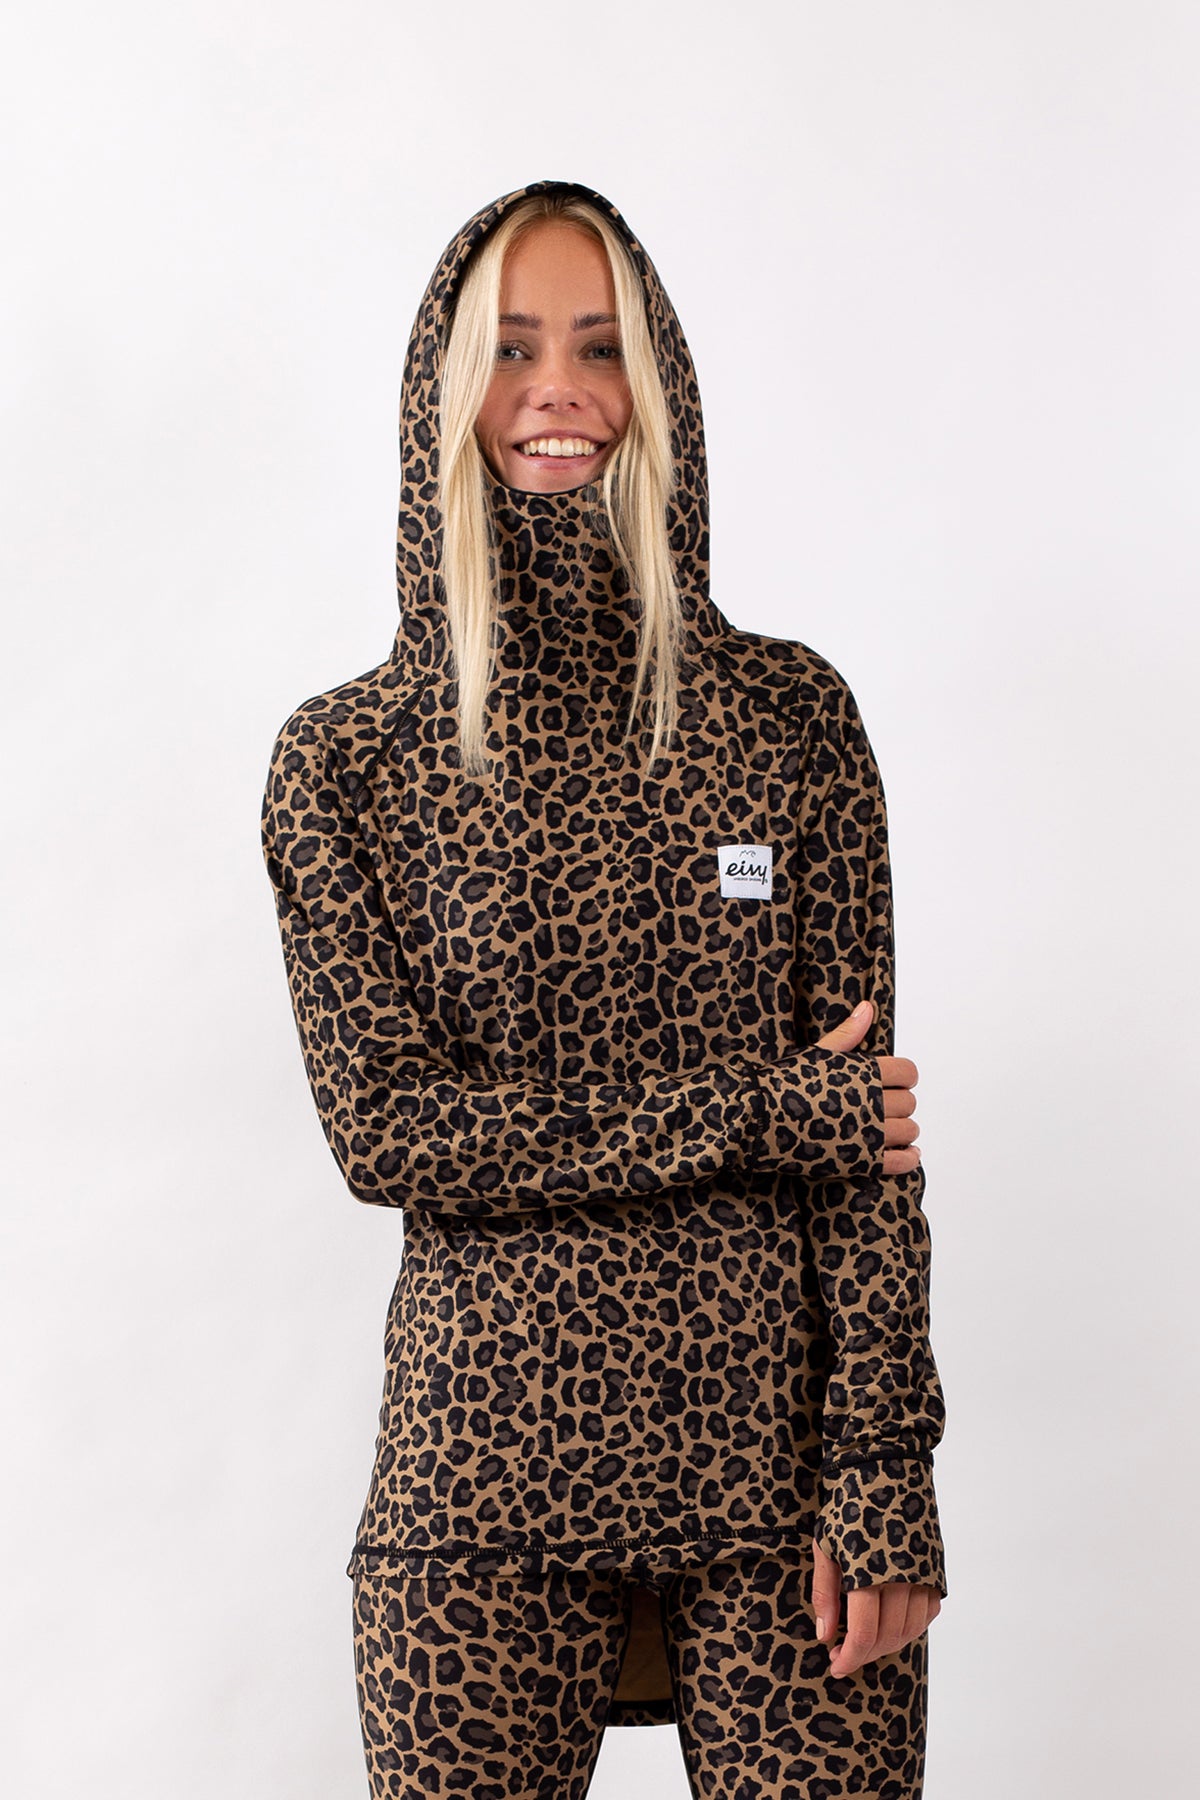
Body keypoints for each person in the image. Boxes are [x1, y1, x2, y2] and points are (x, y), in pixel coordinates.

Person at [261, 179, 947, 1799]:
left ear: (660, 380)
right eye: (510, 350)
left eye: (597, 345)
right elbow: (393, 1135)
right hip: (480, 1478)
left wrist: (886, 1471)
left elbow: (868, 1152)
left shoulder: (788, 716)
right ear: (446, 394)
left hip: (780, 1478)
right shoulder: (349, 760)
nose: (555, 390)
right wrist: (762, 1111)